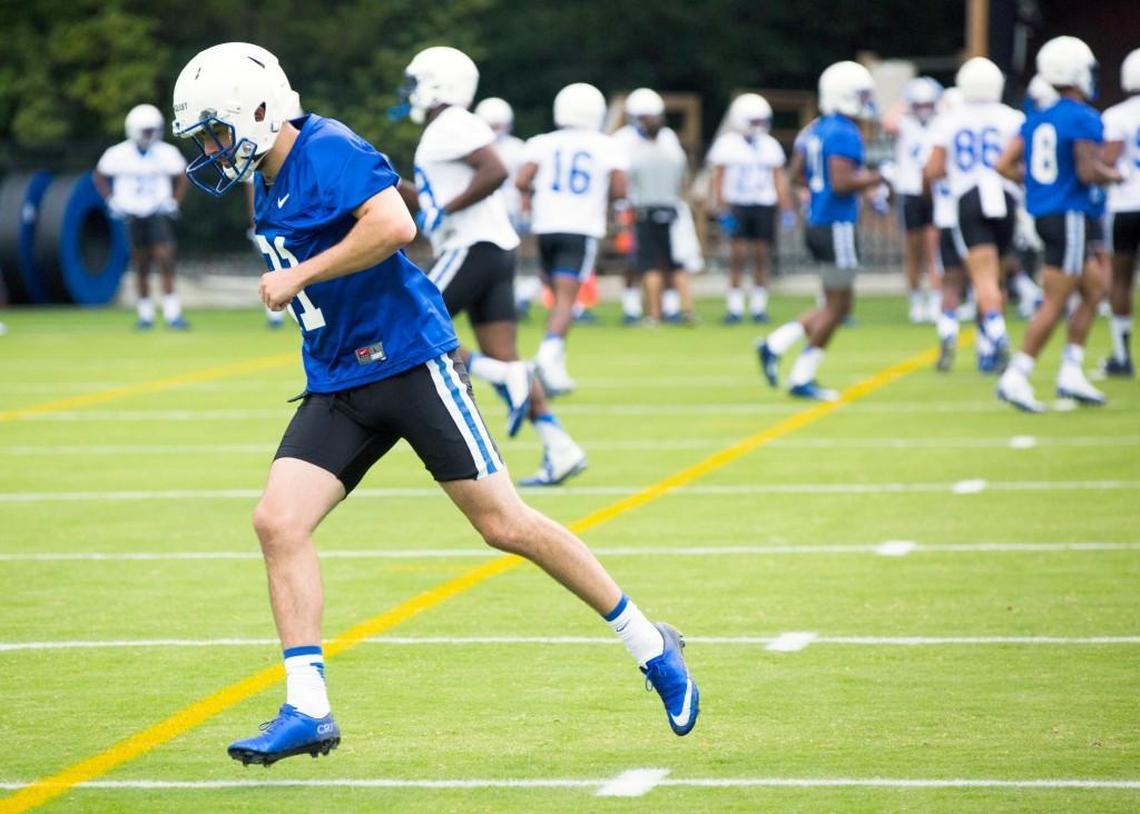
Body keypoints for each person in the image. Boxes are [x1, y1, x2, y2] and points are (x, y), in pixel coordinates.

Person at [171, 42, 699, 765]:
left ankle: (651, 644)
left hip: (410, 364)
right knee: (277, 520)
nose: (209, 149)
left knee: (504, 524)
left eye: (215, 131)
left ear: (260, 113)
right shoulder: (262, 179)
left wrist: (303, 277)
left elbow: (394, 225)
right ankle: (308, 707)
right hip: (338, 381)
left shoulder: (326, 146)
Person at [396, 48, 588, 486]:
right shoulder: (449, 127)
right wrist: (388, 182)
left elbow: (495, 170)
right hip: (490, 249)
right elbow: (437, 198)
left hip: (473, 247)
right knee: (503, 352)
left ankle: (504, 375)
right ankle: (560, 446)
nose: (410, 92)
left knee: (404, 322)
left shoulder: (452, 123)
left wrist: (445, 209)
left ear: (437, 83)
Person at [995, 36, 1123, 412]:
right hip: (1068, 215)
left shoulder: (1036, 118)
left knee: (1095, 288)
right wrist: (1116, 175)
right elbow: (1086, 170)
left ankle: (1071, 370)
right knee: (1055, 300)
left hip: (1047, 215)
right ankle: (1017, 374)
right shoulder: (1082, 116)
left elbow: (1003, 164)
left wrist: (1038, 185)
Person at [757, 61, 882, 401]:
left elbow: (796, 173)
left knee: (836, 304)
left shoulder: (815, 128)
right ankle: (800, 375)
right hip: (836, 224)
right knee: (839, 307)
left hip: (819, 222)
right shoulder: (843, 131)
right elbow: (842, 183)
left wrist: (815, 190)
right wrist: (882, 176)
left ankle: (776, 344)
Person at [515, 82, 629, 395]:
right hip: (580, 227)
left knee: (557, 298)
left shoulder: (542, 143)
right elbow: (620, 189)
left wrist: (536, 199)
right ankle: (547, 357)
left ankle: (555, 365)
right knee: (567, 300)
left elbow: (522, 179)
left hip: (546, 226)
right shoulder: (606, 145)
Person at [924, 58, 1024, 374]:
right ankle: (987, 348)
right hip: (1004, 197)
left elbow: (934, 169)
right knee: (996, 277)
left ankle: (990, 336)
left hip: (965, 200)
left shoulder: (949, 120)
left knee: (969, 279)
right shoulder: (1014, 118)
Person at [94, 103, 189, 330]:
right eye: (147, 130)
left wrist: (174, 201)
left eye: (154, 129)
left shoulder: (166, 152)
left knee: (165, 259)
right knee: (141, 264)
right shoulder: (118, 154)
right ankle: (145, 314)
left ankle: (172, 313)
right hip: (132, 214)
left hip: (157, 212)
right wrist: (111, 200)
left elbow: (183, 175)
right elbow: (99, 175)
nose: (152, 134)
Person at [707, 93, 795, 324]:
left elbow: (779, 179)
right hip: (737, 205)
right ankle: (734, 308)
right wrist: (721, 208)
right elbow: (718, 179)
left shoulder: (770, 145)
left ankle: (758, 307)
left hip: (763, 204)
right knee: (737, 256)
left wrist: (786, 209)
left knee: (761, 256)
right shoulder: (727, 144)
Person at [616, 88, 693, 324]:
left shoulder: (649, 150)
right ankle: (672, 310)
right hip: (667, 209)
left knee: (650, 262)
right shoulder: (626, 140)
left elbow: (627, 180)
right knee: (667, 262)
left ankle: (657, 312)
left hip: (642, 209)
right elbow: (683, 178)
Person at [884, 77, 943, 323]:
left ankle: (937, 299)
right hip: (910, 191)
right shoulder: (906, 124)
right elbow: (888, 123)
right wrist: (903, 101)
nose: (923, 109)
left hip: (935, 191)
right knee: (912, 249)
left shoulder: (941, 123)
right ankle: (916, 300)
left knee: (934, 249)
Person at [1101, 48, 1140, 377]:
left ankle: (1122, 354)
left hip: (1126, 204)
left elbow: (1109, 160)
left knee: (1121, 280)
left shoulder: (1116, 116)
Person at [924, 87, 967, 371]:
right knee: (990, 281)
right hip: (984, 215)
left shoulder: (939, 130)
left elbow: (929, 173)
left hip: (949, 215)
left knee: (950, 284)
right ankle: (991, 345)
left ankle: (947, 335)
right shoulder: (993, 120)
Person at [474, 97, 528, 233]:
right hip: (482, 209)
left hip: (510, 208)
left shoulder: (517, 147)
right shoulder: (473, 149)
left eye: (498, 126)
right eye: (491, 126)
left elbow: (523, 183)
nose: (495, 131)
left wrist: (524, 208)